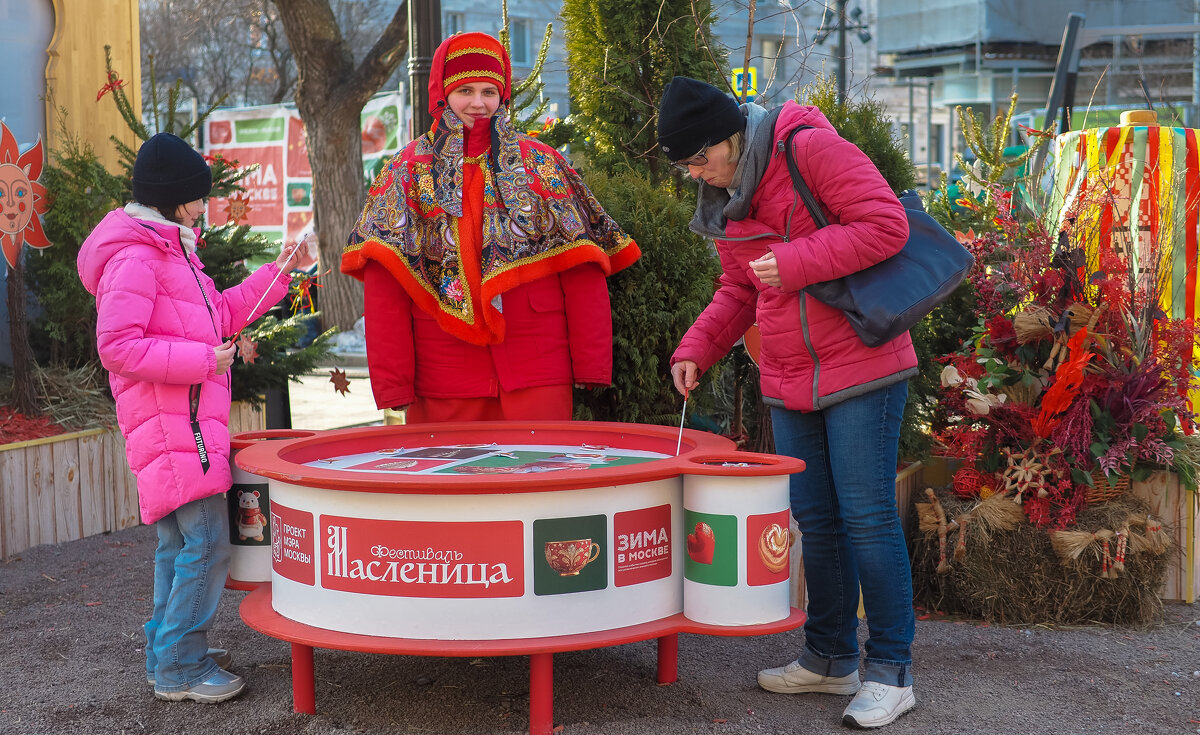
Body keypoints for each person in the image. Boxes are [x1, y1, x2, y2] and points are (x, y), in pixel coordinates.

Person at [658, 77, 918, 729]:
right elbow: (736, 287)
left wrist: (796, 259)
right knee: (817, 521)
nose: (696, 174)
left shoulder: (809, 148)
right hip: (789, 373)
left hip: (862, 359)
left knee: (867, 517)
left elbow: (886, 224)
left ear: (730, 137)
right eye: (686, 166)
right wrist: (697, 347)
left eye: (698, 159)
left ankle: (891, 670)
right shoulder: (725, 196)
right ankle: (831, 659)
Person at [77, 132, 307, 703]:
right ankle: (182, 664)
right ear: (176, 198)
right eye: (200, 197)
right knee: (206, 544)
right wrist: (205, 361)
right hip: (173, 427)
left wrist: (280, 271)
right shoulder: (137, 257)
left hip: (182, 427)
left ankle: (169, 652)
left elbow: (222, 311)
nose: (206, 206)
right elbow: (118, 346)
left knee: (179, 547)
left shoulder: (171, 250)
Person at [341, 32, 640, 423]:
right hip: (443, 379)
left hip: (538, 372)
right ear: (442, 92)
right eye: (465, 90)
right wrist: (393, 382)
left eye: (489, 91)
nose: (479, 103)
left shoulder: (542, 165)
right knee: (452, 484)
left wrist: (590, 363)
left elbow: (582, 270)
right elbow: (385, 287)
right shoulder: (407, 172)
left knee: (538, 481)